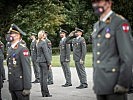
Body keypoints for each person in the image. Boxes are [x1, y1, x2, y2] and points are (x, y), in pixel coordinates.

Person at [91, 0, 133, 100]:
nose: (95, 5)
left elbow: (127, 57)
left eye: (99, 1)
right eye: (94, 2)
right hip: (100, 84)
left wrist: (123, 84)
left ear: (109, 3)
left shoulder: (119, 22)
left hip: (115, 84)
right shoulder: (97, 25)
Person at [6, 23, 31, 100]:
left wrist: (27, 87)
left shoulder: (23, 49)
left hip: (21, 86)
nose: (9, 35)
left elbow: (27, 69)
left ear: (18, 35)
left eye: (11, 34)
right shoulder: (10, 48)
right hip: (13, 85)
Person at [36, 30, 52, 97]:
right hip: (44, 61)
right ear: (42, 35)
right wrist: (49, 63)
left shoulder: (38, 42)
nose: (45, 35)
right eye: (44, 34)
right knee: (44, 78)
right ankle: (46, 93)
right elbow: (46, 53)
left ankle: (43, 93)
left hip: (39, 61)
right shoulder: (43, 42)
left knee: (42, 78)